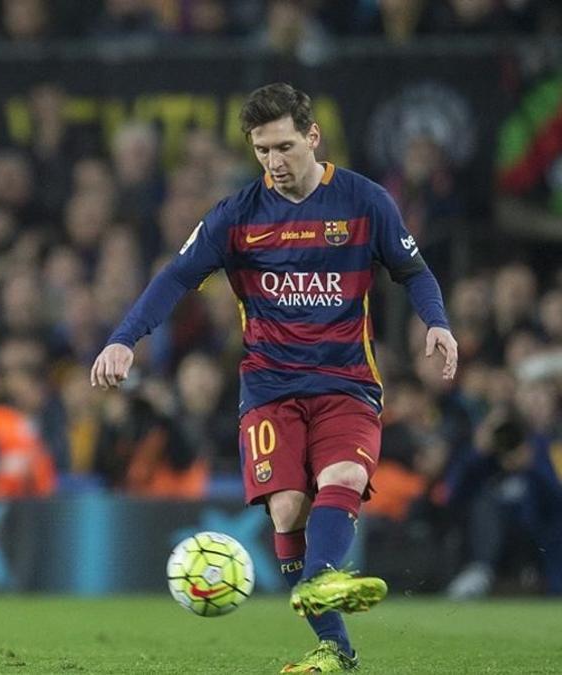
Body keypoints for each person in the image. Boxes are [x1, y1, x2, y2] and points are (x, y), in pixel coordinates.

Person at [91, 83, 458, 673]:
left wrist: (436, 323)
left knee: (341, 475)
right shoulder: (236, 216)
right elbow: (174, 279)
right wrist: (123, 338)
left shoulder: (365, 201)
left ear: (313, 137)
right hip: (269, 388)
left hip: (346, 383)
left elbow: (414, 271)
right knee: (288, 510)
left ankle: (321, 586)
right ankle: (334, 644)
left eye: (284, 147)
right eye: (262, 151)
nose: (274, 163)